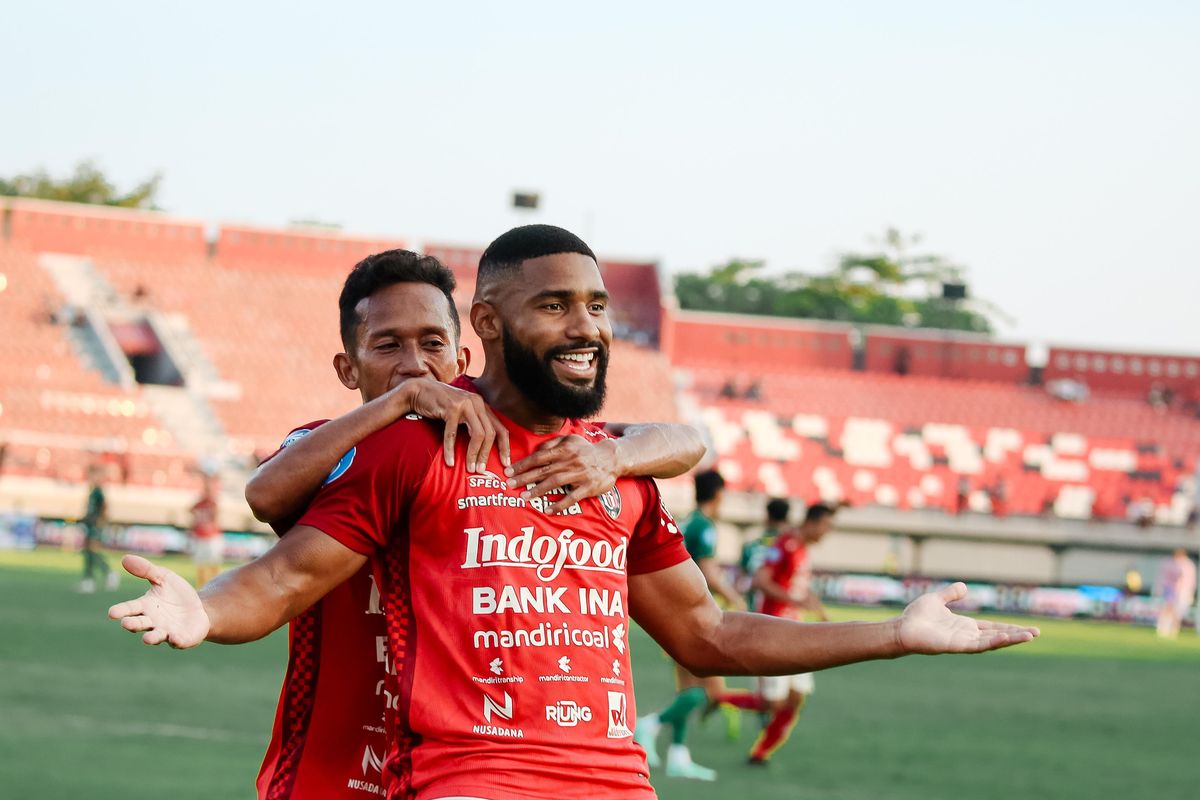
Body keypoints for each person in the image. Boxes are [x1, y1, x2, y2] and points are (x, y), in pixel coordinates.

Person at [110, 225, 1039, 800]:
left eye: (596, 306)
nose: (587, 326)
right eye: (554, 306)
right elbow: (280, 563)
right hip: (443, 776)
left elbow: (709, 633)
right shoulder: (406, 443)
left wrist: (893, 634)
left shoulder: (618, 470)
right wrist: (206, 606)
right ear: (492, 324)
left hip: (610, 784)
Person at [243, 248, 706, 799]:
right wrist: (402, 402)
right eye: (389, 346)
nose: (414, 365)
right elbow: (265, 493)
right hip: (335, 776)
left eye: (432, 345)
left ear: (462, 360)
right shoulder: (334, 448)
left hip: (449, 770)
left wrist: (619, 458)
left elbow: (680, 440)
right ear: (348, 368)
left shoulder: (510, 454)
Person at [634, 470, 746, 780]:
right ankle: (651, 724)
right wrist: (734, 598)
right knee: (711, 693)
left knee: (687, 688)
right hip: (691, 616)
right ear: (719, 494)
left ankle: (678, 757)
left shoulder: (684, 520)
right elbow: (709, 571)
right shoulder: (704, 526)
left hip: (671, 614)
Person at [80, 464, 118, 593]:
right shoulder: (92, 491)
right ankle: (89, 580)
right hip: (90, 524)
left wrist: (100, 522)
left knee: (93, 551)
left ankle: (108, 573)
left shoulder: (98, 492)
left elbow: (104, 508)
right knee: (88, 552)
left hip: (95, 525)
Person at [1154, 548, 1196, 638]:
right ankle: (1163, 628)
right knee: (1168, 608)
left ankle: (1174, 629)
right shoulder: (1170, 563)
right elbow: (1164, 578)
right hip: (1171, 589)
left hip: (1183, 591)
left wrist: (1190, 592)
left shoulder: (1188, 565)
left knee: (1178, 612)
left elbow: (1190, 580)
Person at [191, 474, 223, 588]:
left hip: (212, 537)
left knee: (214, 564)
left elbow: (214, 518)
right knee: (200, 565)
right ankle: (202, 587)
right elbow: (193, 517)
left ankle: (216, 586)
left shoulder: (213, 504)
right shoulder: (198, 505)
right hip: (201, 537)